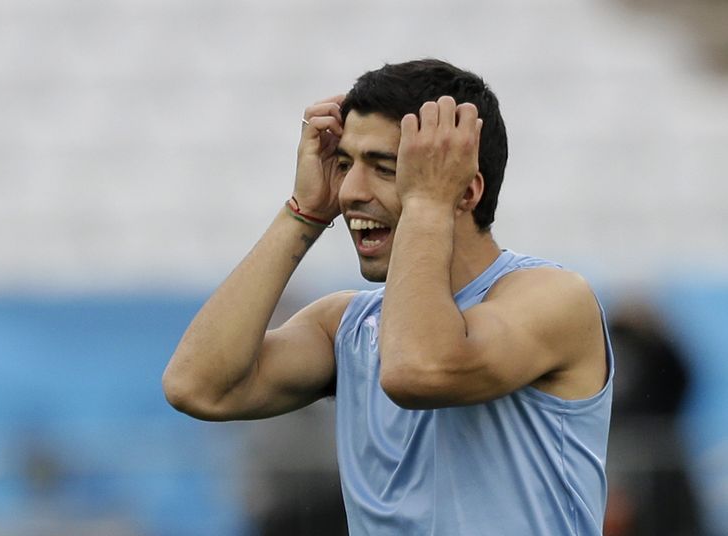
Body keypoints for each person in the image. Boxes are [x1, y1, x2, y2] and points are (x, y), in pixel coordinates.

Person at [163, 59, 614, 535]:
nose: (351, 192)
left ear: (465, 191)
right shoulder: (347, 325)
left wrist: (425, 202)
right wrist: (304, 213)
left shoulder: (553, 297)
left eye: (385, 168)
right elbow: (197, 386)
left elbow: (419, 369)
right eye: (344, 165)